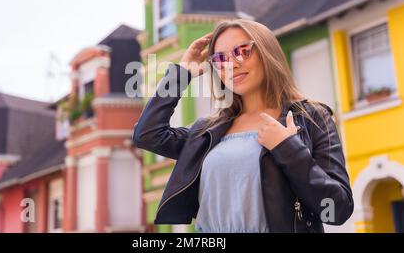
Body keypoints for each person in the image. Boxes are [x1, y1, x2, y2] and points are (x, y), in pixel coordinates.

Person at [132, 19, 354, 233]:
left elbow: (337, 210)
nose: (232, 64)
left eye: (242, 51)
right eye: (220, 59)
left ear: (267, 53)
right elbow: (147, 134)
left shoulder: (312, 118)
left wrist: (287, 148)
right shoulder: (207, 131)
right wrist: (182, 73)